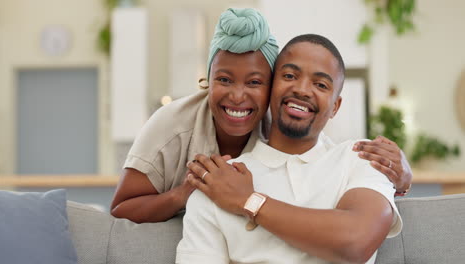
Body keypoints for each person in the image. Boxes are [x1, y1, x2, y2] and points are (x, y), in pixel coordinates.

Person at [110, 8, 412, 224]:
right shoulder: (173, 124)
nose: (237, 96)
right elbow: (120, 208)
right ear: (208, 81)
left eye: (254, 82)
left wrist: (400, 178)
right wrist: (184, 195)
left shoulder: (279, 126)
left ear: (270, 89)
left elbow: (327, 172)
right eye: (224, 80)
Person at [177, 34, 403, 264]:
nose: (303, 90)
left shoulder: (362, 159)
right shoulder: (219, 183)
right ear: (270, 87)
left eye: (320, 84)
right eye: (289, 76)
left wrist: (249, 201)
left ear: (335, 106)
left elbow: (355, 243)